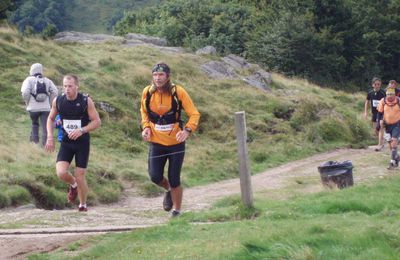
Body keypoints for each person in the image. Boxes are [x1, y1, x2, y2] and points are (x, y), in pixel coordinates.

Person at [140, 63, 200, 217]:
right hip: (157, 142)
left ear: (168, 77)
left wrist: (187, 130)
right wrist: (146, 127)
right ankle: (168, 190)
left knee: (174, 178)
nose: (158, 78)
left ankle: (177, 210)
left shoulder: (178, 92)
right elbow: (144, 113)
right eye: (155, 75)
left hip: (176, 144)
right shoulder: (147, 92)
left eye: (161, 75)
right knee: (154, 176)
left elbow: (194, 114)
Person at [45, 74, 101, 212]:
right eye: (64, 86)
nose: (67, 89)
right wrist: (50, 137)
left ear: (77, 86)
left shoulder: (85, 101)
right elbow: (50, 119)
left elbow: (97, 122)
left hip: (82, 143)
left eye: (70, 86)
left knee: (80, 175)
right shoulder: (58, 101)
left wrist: (82, 130)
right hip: (66, 142)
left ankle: (82, 205)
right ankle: (73, 185)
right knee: (61, 173)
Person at [21, 63, 58, 146]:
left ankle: (35, 143)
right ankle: (46, 145)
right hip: (46, 108)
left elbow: (25, 92)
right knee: (45, 126)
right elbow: (55, 92)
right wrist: (50, 103)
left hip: (32, 108)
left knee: (35, 124)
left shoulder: (28, 80)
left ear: (32, 70)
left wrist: (27, 102)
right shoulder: (47, 80)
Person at [376, 88, 400, 170]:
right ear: (386, 95)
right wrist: (378, 124)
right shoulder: (383, 101)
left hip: (397, 124)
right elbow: (379, 113)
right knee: (391, 145)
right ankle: (397, 157)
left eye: (391, 94)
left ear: (394, 95)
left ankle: (392, 163)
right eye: (388, 94)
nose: (389, 96)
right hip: (387, 125)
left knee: (394, 143)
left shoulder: (398, 101)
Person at [364, 77, 386, 151]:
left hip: (381, 113)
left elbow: (387, 102)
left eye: (378, 84)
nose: (377, 86)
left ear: (380, 85)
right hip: (374, 113)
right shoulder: (370, 93)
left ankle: (380, 144)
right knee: (376, 130)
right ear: (372, 85)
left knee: (380, 127)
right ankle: (382, 141)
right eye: (375, 84)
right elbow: (367, 101)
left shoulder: (383, 93)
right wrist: (366, 112)